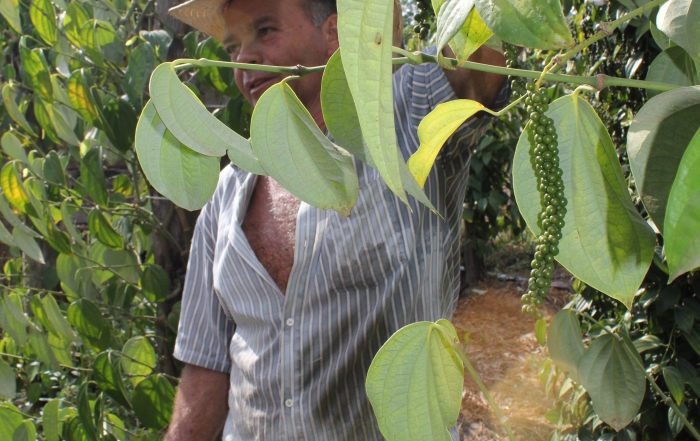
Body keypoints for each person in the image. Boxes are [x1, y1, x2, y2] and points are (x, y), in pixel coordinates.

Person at [164, 0, 509, 439]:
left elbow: (485, 39)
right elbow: (205, 372)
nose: (243, 60)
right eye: (233, 47)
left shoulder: (407, 117)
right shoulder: (226, 193)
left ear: (334, 34)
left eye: (265, 31)